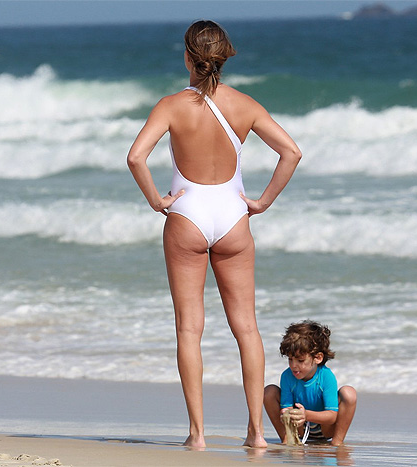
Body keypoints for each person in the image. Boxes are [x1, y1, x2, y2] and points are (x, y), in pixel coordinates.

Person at [127, 20, 301, 448]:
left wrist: (157, 200)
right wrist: (261, 202)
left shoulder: (170, 106)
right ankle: (257, 434)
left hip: (185, 215)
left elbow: (135, 157)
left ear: (188, 57)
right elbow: (291, 152)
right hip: (233, 218)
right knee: (247, 328)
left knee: (190, 329)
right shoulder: (245, 104)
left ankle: (198, 435)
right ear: (224, 58)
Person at [264, 320, 357, 446]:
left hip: (325, 427)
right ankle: (286, 439)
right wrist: (287, 413)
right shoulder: (287, 376)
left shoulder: (326, 376)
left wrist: (306, 415)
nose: (293, 366)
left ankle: (337, 442)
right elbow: (286, 407)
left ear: (318, 358)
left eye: (300, 360)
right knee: (269, 392)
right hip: (299, 427)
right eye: (290, 359)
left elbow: (332, 416)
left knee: (349, 393)